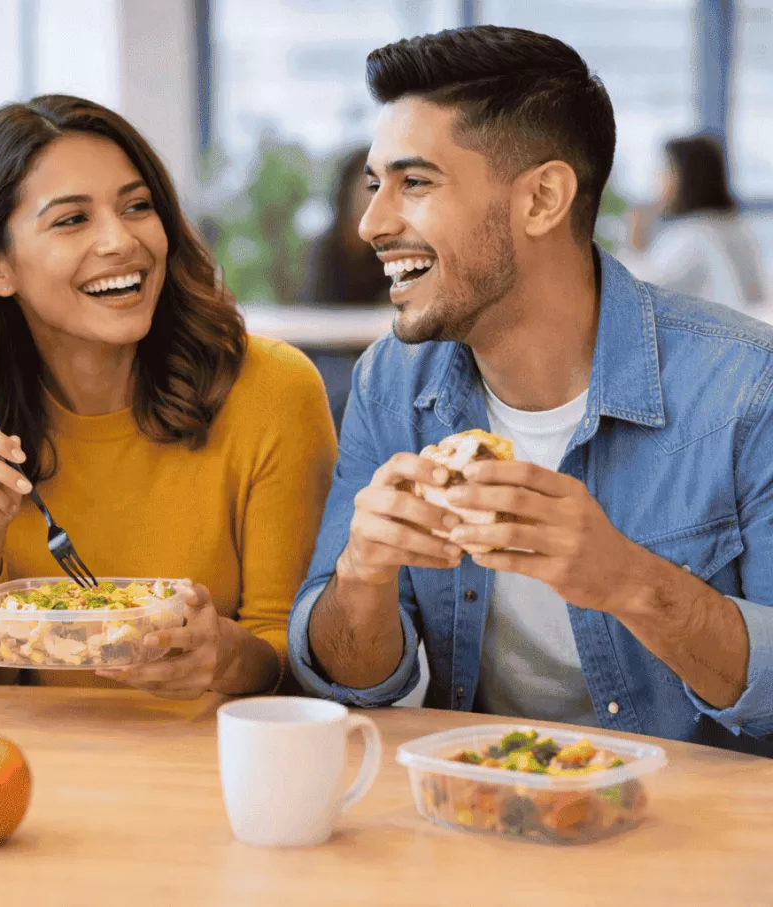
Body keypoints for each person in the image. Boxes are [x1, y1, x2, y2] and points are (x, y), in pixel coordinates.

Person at [288, 26, 773, 756]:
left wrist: (628, 581)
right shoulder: (392, 382)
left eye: (414, 183)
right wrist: (362, 571)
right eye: (373, 185)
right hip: (470, 818)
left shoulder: (745, 388)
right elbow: (348, 689)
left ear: (542, 198)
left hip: (694, 838)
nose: (372, 223)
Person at [0, 95, 336, 699]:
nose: (121, 241)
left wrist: (225, 658)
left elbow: (299, 661)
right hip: (35, 769)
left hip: (209, 766)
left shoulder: (272, 390)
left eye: (137, 206)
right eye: (71, 220)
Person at [622, 134, 768, 309]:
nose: (659, 180)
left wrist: (635, 240)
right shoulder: (736, 229)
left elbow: (636, 292)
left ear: (684, 178)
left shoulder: (693, 236)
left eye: (665, 171)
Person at [301, 145, 389, 305]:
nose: (374, 198)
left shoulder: (390, 252)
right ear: (348, 192)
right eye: (372, 187)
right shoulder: (326, 252)